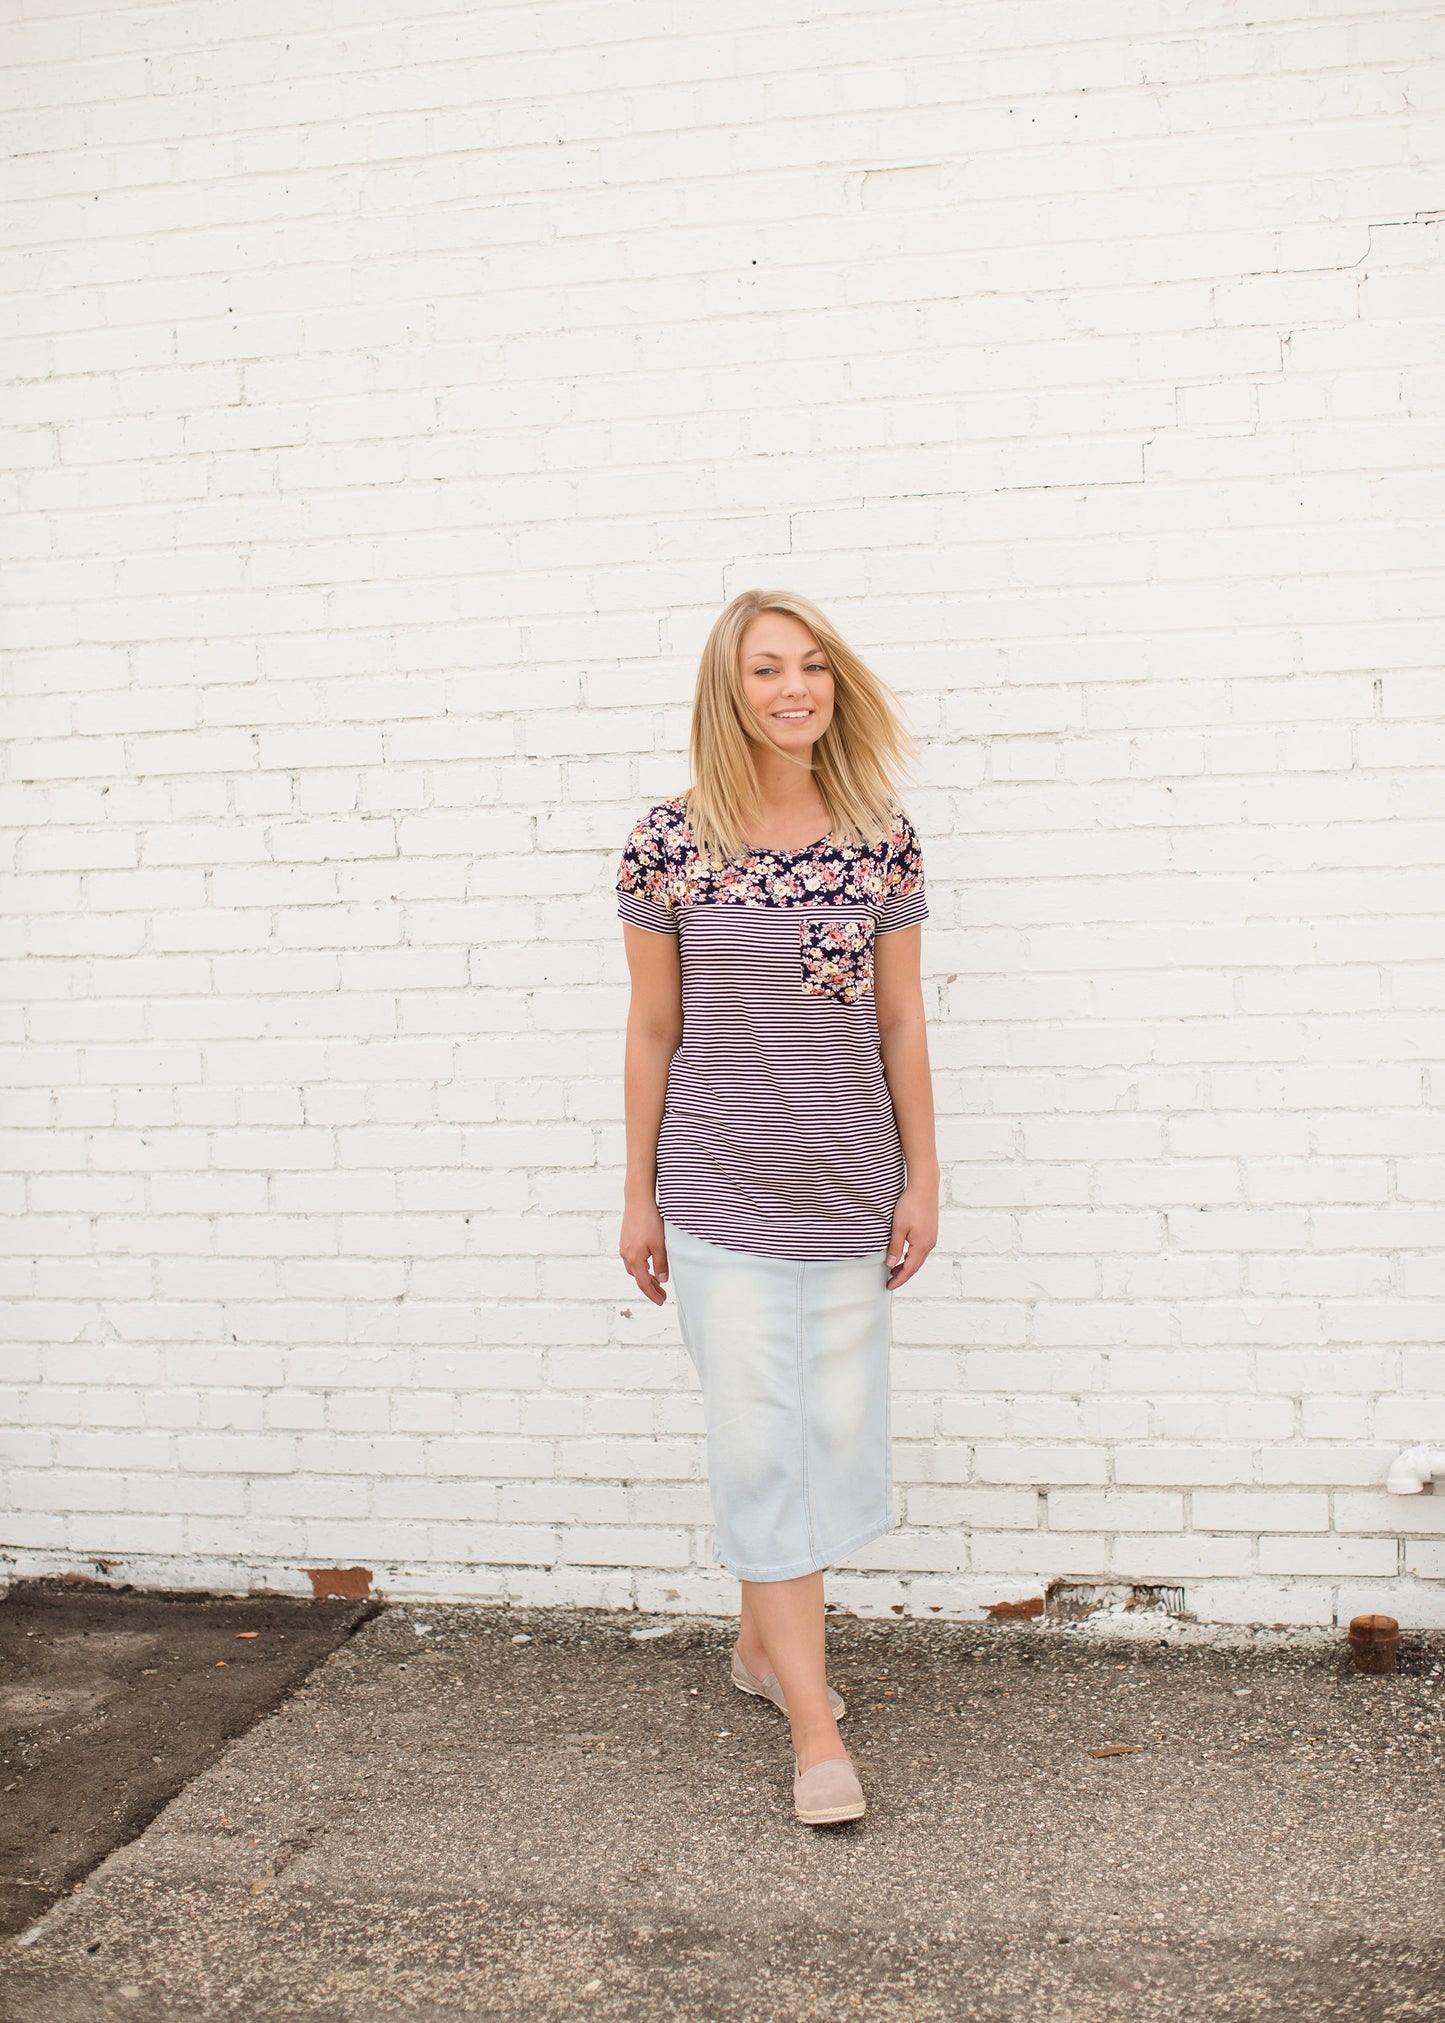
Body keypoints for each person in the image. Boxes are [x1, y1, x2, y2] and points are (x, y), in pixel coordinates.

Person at [615, 588, 938, 1826]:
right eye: (766, 669)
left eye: (811, 667)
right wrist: (636, 1192)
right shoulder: (666, 841)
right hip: (713, 1188)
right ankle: (812, 1725)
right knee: (760, 1442)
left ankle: (761, 1648)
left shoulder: (878, 834)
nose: (793, 688)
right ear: (728, 687)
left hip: (847, 1188)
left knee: (824, 1436)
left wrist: (921, 1171)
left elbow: (899, 1017)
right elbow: (654, 1024)